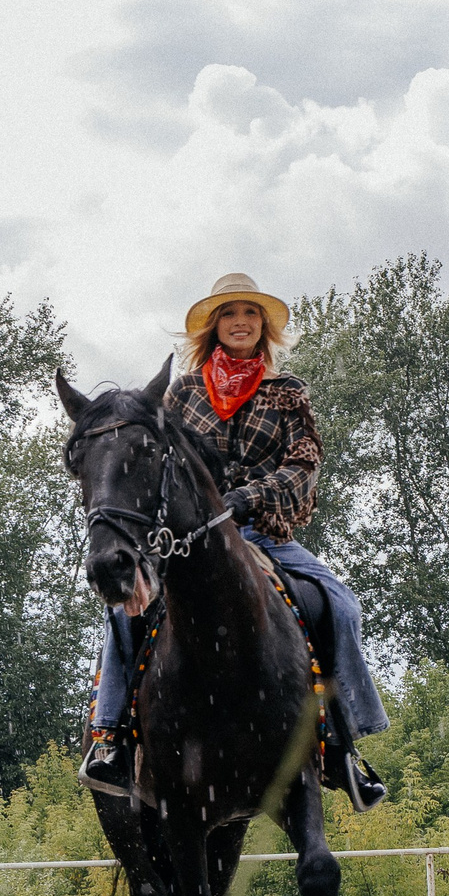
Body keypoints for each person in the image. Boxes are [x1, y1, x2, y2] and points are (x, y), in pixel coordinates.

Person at [80, 271, 388, 809]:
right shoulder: (181, 394)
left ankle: (342, 745)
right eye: (229, 314)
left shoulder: (287, 393)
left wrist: (251, 498)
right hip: (191, 541)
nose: (240, 323)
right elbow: (159, 463)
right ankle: (112, 738)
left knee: (339, 603)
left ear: (263, 327)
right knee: (124, 610)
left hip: (263, 533)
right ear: (214, 327)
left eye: (250, 314)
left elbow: (303, 466)